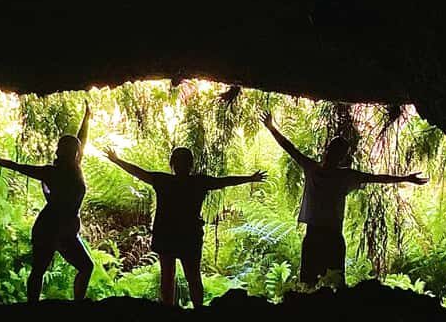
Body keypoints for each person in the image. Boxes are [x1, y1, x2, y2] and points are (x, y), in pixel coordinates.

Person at [261, 111, 427, 286]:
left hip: (318, 234)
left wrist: (272, 127)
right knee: (328, 283)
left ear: (330, 152)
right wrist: (405, 178)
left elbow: (290, 148)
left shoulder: (317, 170)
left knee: (312, 283)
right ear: (341, 157)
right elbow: (377, 178)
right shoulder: (341, 175)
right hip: (327, 234)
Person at [104, 146, 266, 308]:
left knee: (167, 277)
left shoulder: (163, 180)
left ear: (172, 163)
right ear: (191, 164)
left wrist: (117, 160)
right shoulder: (199, 182)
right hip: (190, 236)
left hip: (166, 235)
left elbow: (137, 172)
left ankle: (168, 312)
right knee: (193, 278)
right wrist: (250, 178)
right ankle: (198, 312)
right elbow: (225, 181)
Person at [0, 101, 93, 302]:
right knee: (39, 271)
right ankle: (32, 309)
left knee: (86, 267)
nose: (77, 150)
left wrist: (86, 118)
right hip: (49, 228)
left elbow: (81, 140)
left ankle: (78, 303)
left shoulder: (75, 166)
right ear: (65, 152)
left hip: (67, 231)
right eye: (73, 149)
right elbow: (17, 166)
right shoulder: (53, 172)